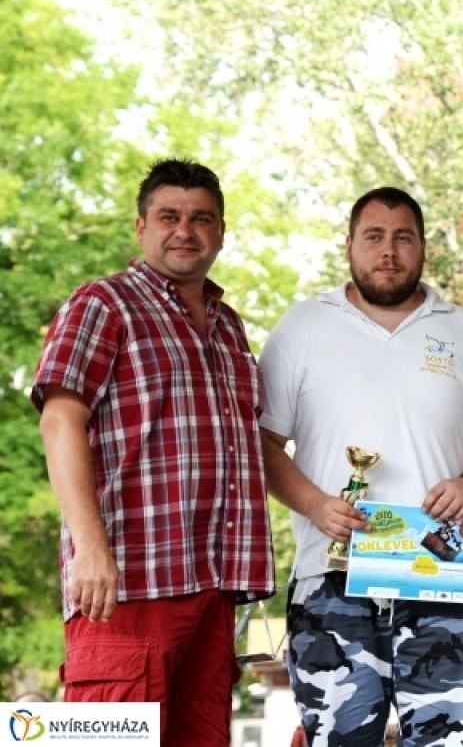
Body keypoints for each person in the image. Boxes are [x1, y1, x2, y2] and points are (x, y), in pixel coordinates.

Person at [258, 187, 463, 747]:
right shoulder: (302, 327)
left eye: (403, 238)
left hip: (441, 572)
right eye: (374, 236)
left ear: (422, 247)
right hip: (332, 576)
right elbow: (263, 443)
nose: (389, 251)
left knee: (453, 742)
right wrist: (316, 505)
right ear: (349, 244)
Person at [31, 159, 276, 745]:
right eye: (169, 217)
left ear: (221, 232)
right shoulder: (103, 304)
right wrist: (89, 547)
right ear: (141, 227)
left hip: (213, 586)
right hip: (126, 586)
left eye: (201, 219)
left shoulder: (228, 326)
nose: (185, 231)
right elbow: (60, 420)